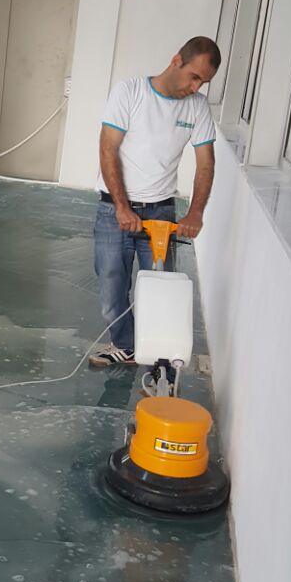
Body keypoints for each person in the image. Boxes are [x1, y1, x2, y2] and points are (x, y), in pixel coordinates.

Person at [89, 36, 220, 367]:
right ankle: (127, 347)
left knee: (162, 293)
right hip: (113, 210)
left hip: (160, 214)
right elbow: (108, 148)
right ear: (176, 61)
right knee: (111, 291)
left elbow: (206, 163)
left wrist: (195, 213)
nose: (196, 87)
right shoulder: (130, 91)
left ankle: (162, 367)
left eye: (203, 82)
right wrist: (122, 207)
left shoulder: (197, 106)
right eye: (194, 76)